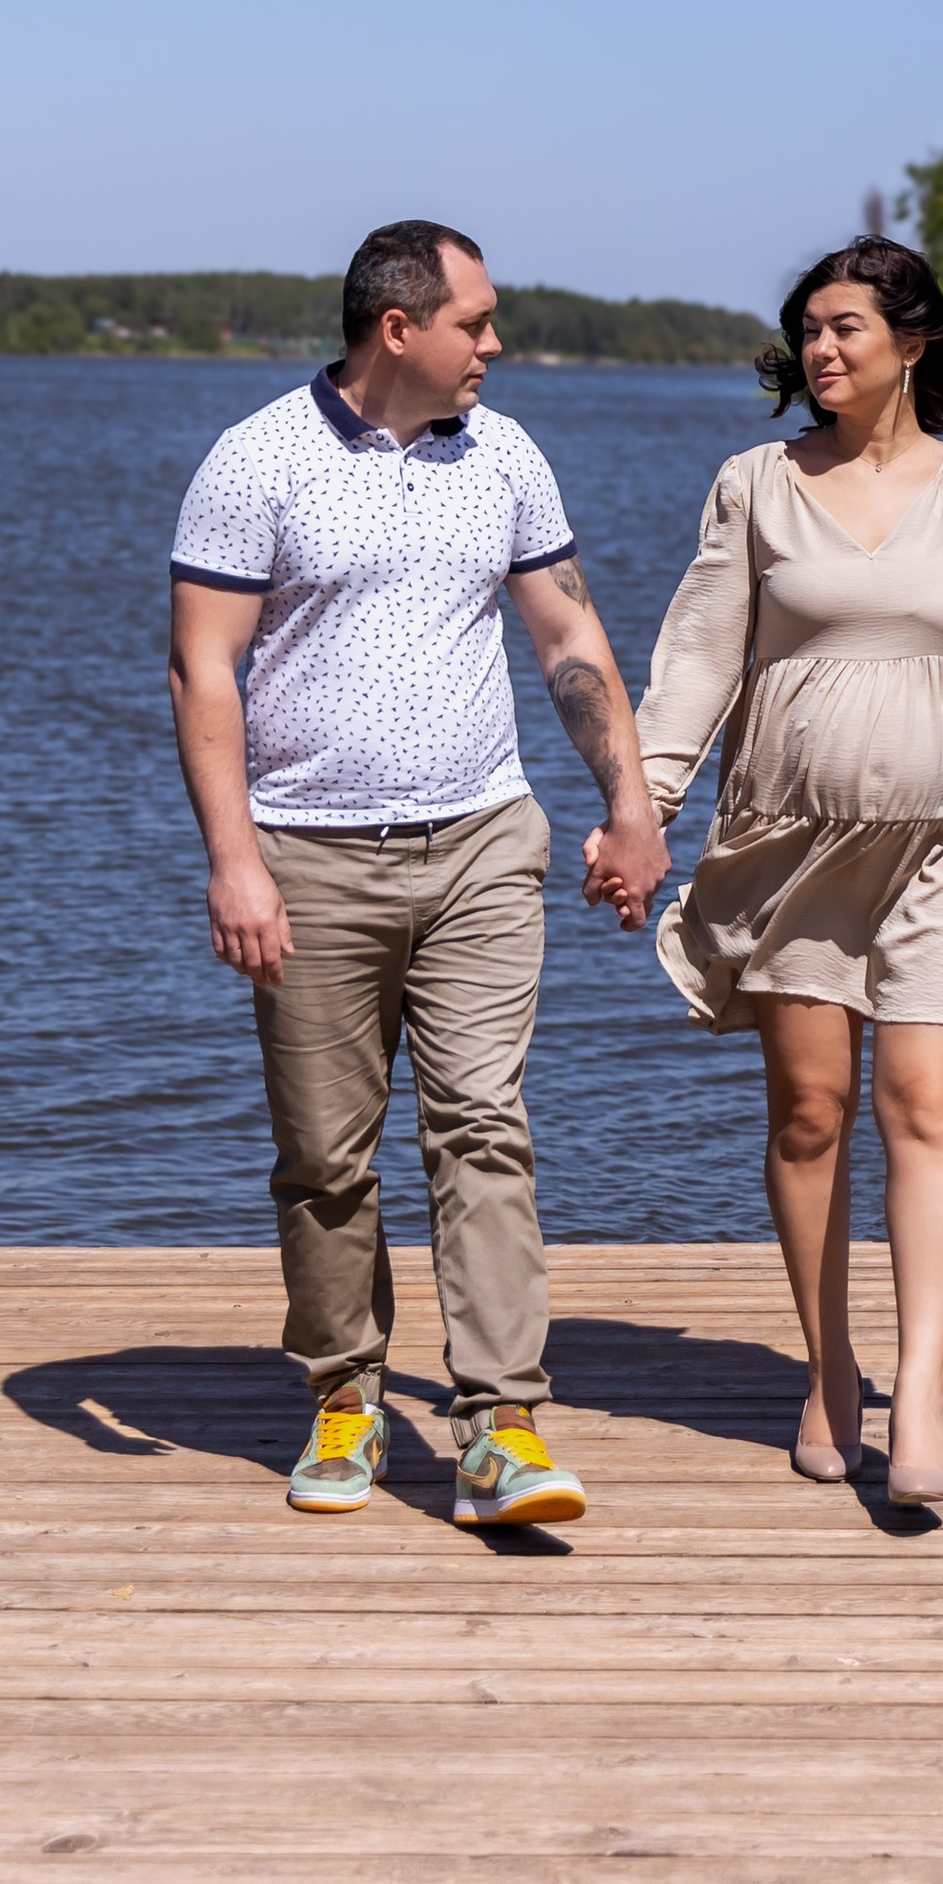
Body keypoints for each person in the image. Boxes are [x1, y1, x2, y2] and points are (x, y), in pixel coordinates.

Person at [169, 219, 670, 1526]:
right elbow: (201, 670)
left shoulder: (501, 454)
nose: (495, 346)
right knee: (328, 1158)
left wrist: (627, 803)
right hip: (307, 857)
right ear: (401, 329)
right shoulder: (257, 462)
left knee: (482, 1124)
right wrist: (235, 862)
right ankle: (347, 1393)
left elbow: (566, 630)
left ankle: (501, 1421)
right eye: (478, 322)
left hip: (484, 845)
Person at [595, 237, 943, 1506]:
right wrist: (642, 805)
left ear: (910, 343)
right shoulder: (755, 483)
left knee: (926, 1106)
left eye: (847, 327)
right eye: (808, 329)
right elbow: (697, 659)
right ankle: (826, 1364)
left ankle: (916, 1394)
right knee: (810, 1115)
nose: (821, 349)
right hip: (790, 845)